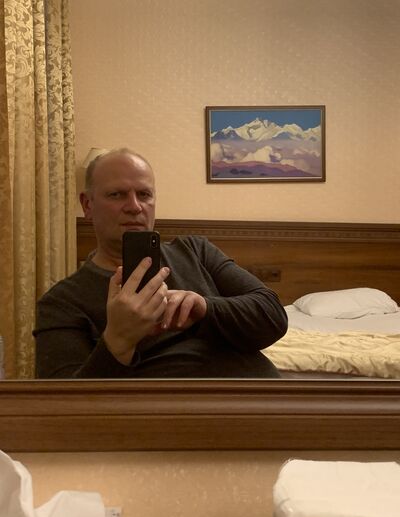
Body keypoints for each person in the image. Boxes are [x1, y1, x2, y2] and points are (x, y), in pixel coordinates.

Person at [34, 148, 288, 378]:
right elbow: (64, 405)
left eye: (144, 194)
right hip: (165, 411)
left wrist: (204, 308)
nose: (134, 207)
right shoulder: (62, 302)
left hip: (264, 401)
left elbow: (272, 315)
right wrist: (118, 340)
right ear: (87, 205)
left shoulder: (195, 251)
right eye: (117, 194)